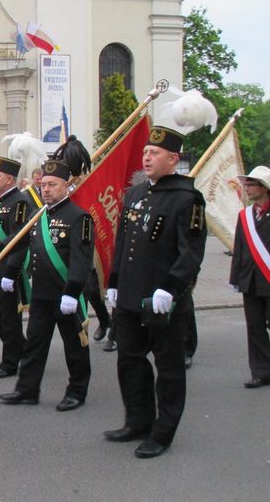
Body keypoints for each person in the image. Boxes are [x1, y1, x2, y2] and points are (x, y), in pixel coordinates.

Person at [104, 126, 206, 459]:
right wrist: (114, 283)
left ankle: (163, 432)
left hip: (163, 301)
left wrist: (172, 288)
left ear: (173, 159)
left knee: (169, 368)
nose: (147, 157)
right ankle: (137, 421)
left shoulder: (187, 198)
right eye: (146, 152)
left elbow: (191, 251)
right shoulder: (135, 194)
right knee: (130, 362)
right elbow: (123, 243)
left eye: (155, 153)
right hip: (132, 297)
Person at [0, 159, 94, 412]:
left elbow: (81, 259)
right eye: (43, 185)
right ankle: (27, 389)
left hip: (66, 295)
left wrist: (73, 291)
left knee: (74, 345)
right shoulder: (38, 214)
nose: (46, 189)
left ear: (66, 186)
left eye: (52, 185)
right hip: (42, 293)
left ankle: (77, 391)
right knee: (35, 343)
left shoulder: (79, 217)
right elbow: (18, 241)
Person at [0, 157, 32, 379]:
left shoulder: (19, 202)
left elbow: (18, 239)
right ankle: (22, 348)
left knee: (9, 317)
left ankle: (10, 362)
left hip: (8, 271)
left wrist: (10, 273)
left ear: (10, 179)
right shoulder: (0, 200)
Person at [229, 165, 270, 389]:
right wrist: (235, 278)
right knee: (255, 328)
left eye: (252, 184)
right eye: (247, 184)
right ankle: (261, 372)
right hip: (251, 280)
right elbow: (240, 248)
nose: (247, 188)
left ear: (264, 188)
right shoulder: (244, 215)